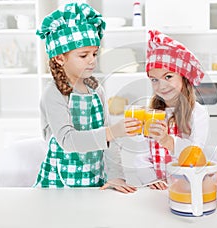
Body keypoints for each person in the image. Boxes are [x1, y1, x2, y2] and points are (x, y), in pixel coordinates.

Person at [34, 2, 139, 193]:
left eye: (94, 53)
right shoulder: (54, 93)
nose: (92, 60)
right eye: (83, 55)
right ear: (59, 58)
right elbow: (68, 140)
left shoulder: (96, 89)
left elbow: (110, 142)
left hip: (94, 182)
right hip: (58, 186)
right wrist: (111, 131)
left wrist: (116, 177)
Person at [135, 30, 209, 190]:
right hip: (156, 191)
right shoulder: (150, 114)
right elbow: (140, 156)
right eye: (154, 79)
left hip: (188, 188)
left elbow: (197, 155)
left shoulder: (197, 113)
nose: (161, 86)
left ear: (183, 76)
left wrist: (167, 141)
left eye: (168, 77)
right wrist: (151, 180)